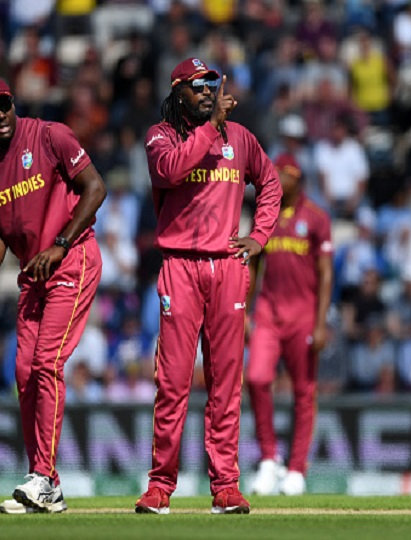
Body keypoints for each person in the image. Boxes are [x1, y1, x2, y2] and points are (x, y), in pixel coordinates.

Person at [135, 58, 282, 515]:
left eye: (212, 84)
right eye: (198, 86)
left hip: (227, 267)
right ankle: (160, 486)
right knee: (174, 383)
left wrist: (258, 237)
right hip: (179, 267)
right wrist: (210, 126)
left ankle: (226, 487)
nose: (206, 91)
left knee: (225, 385)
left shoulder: (239, 138)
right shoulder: (160, 136)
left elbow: (271, 183)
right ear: (178, 91)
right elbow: (172, 171)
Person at [0, 77, 105, 514]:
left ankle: (44, 477)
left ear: (13, 103)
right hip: (33, 275)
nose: (1, 114)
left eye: (4, 105)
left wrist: (59, 243)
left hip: (72, 258)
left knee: (46, 363)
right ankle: (45, 483)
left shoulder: (49, 135)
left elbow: (95, 188)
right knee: (24, 372)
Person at [247, 153, 333, 496]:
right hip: (268, 312)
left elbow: (326, 273)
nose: (280, 179)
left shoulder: (316, 218)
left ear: (299, 180)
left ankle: (297, 468)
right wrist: (244, 312)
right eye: (276, 173)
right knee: (256, 378)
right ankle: (269, 459)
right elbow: (253, 264)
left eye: (286, 174)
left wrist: (322, 322)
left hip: (303, 314)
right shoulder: (264, 214)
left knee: (303, 391)